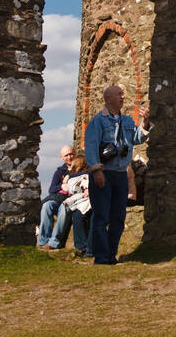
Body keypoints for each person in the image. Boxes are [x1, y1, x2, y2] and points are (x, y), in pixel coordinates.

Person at [84, 85, 151, 264]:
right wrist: (96, 171)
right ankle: (101, 257)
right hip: (104, 174)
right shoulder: (97, 122)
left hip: (121, 174)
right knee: (101, 217)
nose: (123, 96)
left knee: (118, 218)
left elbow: (137, 138)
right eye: (119, 94)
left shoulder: (127, 121)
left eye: (122, 94)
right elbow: (90, 148)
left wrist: (145, 123)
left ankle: (111, 255)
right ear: (108, 99)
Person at [36, 145, 75, 249]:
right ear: (62, 157)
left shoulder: (80, 168)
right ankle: (43, 241)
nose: (69, 157)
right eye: (66, 155)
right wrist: (62, 186)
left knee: (64, 208)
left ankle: (53, 243)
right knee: (47, 205)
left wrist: (70, 179)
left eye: (71, 154)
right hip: (58, 197)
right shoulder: (59, 172)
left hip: (71, 200)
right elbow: (52, 189)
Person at [61, 153, 95, 255]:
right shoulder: (73, 177)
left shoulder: (90, 174)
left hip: (91, 201)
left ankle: (87, 248)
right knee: (78, 216)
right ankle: (83, 247)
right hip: (83, 202)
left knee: (84, 217)